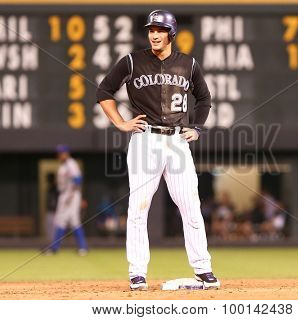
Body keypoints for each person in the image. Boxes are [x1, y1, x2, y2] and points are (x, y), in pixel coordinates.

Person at [96, 9, 219, 290]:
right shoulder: (132, 61)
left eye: (160, 30)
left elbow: (204, 98)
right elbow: (103, 91)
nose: (154, 34)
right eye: (151, 29)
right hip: (146, 140)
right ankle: (137, 272)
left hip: (177, 141)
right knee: (139, 208)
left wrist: (197, 127)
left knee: (190, 206)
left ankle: (203, 269)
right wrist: (120, 123)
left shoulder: (188, 64)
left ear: (171, 33)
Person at [46, 144, 88, 256]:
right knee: (65, 221)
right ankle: (79, 248)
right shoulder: (64, 165)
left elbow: (78, 179)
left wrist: (71, 195)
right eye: (59, 153)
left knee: (67, 220)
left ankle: (57, 248)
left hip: (70, 194)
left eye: (62, 153)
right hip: (67, 194)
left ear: (66, 153)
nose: (60, 155)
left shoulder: (70, 163)